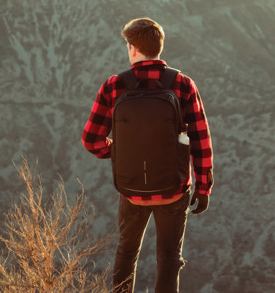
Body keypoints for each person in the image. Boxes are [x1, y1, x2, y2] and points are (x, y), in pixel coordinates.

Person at [81, 17, 213, 293]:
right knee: (168, 259)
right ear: (159, 47)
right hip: (174, 189)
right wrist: (203, 187)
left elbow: (91, 140)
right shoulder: (184, 85)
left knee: (127, 253)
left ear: (132, 48)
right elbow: (200, 140)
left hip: (131, 189)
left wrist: (123, 151)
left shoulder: (114, 86)